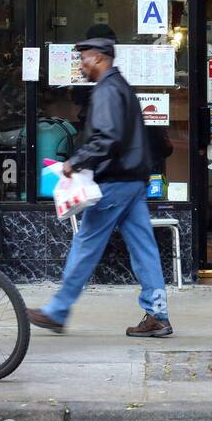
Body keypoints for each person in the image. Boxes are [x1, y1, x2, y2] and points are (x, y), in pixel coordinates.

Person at [27, 37, 172, 338]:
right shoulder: (122, 87)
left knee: (86, 245)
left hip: (114, 182)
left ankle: (58, 310)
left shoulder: (107, 90)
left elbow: (107, 138)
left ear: (99, 58)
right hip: (132, 181)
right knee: (144, 248)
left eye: (84, 58)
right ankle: (158, 314)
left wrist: (76, 161)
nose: (81, 65)